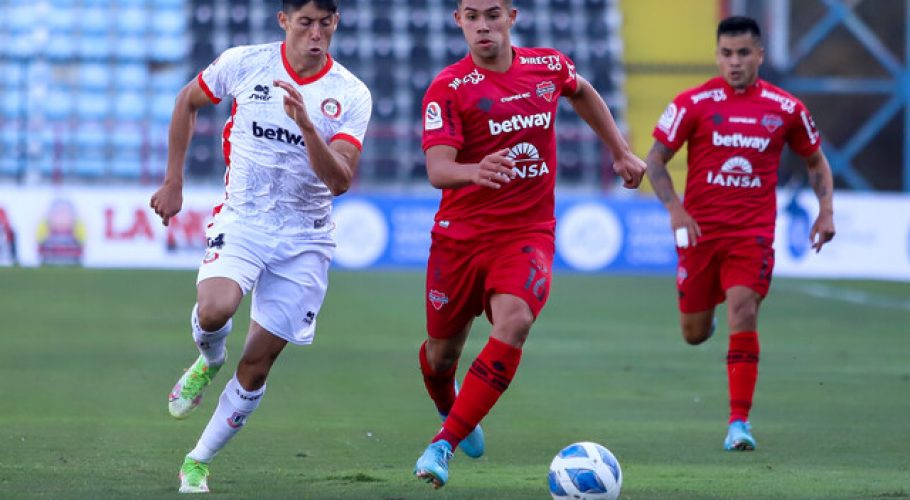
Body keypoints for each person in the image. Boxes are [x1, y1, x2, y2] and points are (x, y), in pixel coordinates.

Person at [413, 0, 646, 488]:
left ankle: (442, 444)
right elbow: (438, 169)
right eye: (472, 16)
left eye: (492, 14)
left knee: (515, 321)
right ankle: (449, 403)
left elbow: (582, 92)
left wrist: (620, 151)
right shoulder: (448, 88)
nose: (483, 26)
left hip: (526, 233)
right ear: (458, 21)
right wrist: (473, 171)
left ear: (511, 17)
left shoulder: (547, 66)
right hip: (459, 239)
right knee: (440, 356)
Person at [149, 0, 371, 493]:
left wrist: (307, 125)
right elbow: (187, 101)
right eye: (306, 22)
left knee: (256, 364)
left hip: (306, 237)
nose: (316, 33)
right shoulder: (244, 63)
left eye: (326, 23)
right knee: (214, 310)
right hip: (245, 217)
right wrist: (173, 181)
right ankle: (209, 360)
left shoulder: (351, 93)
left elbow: (339, 180)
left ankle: (197, 461)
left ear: (336, 23)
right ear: (284, 21)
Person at [646, 16, 835, 451]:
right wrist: (675, 210)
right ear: (717, 56)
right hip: (699, 234)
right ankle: (706, 318)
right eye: (727, 54)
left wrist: (826, 212)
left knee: (744, 311)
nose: (735, 62)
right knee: (693, 333)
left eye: (744, 53)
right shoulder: (692, 103)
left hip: (752, 234)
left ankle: (738, 423)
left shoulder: (786, 109)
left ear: (759, 56)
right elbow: (654, 160)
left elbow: (816, 162)